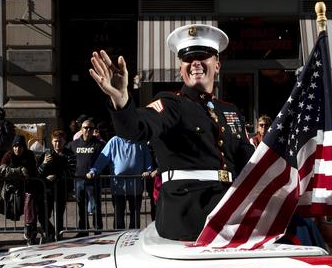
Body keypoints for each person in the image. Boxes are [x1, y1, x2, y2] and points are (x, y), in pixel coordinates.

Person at [89, 24, 254, 241]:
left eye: (203, 55)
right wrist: (121, 100)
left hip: (230, 215)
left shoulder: (229, 111)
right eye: (188, 58)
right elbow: (136, 128)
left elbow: (249, 164)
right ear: (181, 69)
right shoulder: (172, 104)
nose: (195, 62)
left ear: (217, 65)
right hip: (186, 220)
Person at [87, 134, 153, 230]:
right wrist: (94, 170)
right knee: (119, 217)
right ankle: (118, 237)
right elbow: (103, 158)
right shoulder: (114, 140)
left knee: (135, 216)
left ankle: (134, 239)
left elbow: (147, 157)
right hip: (118, 187)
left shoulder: (140, 141)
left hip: (136, 186)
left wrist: (149, 170)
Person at [0, 134, 43, 244]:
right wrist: (19, 170)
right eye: (15, 146)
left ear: (24, 147)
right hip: (13, 190)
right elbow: (1, 171)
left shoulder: (29, 155)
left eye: (20, 146)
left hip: (28, 187)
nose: (17, 149)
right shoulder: (8, 155)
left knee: (30, 208)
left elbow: (31, 172)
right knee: (18, 210)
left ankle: (30, 232)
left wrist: (19, 173)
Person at [37, 130, 75, 240]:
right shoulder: (46, 154)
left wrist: (56, 176)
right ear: (52, 142)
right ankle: (50, 233)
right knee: (42, 215)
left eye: (60, 141)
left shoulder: (70, 155)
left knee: (58, 215)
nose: (57, 144)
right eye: (55, 141)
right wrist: (44, 164)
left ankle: (58, 236)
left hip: (62, 189)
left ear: (64, 142)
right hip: (46, 190)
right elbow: (38, 173)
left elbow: (71, 172)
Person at [70, 118, 104, 236]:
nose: (88, 130)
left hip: (93, 181)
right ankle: (83, 230)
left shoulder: (99, 144)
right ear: (81, 129)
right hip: (78, 180)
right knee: (81, 207)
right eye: (85, 128)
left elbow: (105, 161)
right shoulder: (74, 144)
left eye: (90, 128)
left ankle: (98, 230)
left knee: (95, 207)